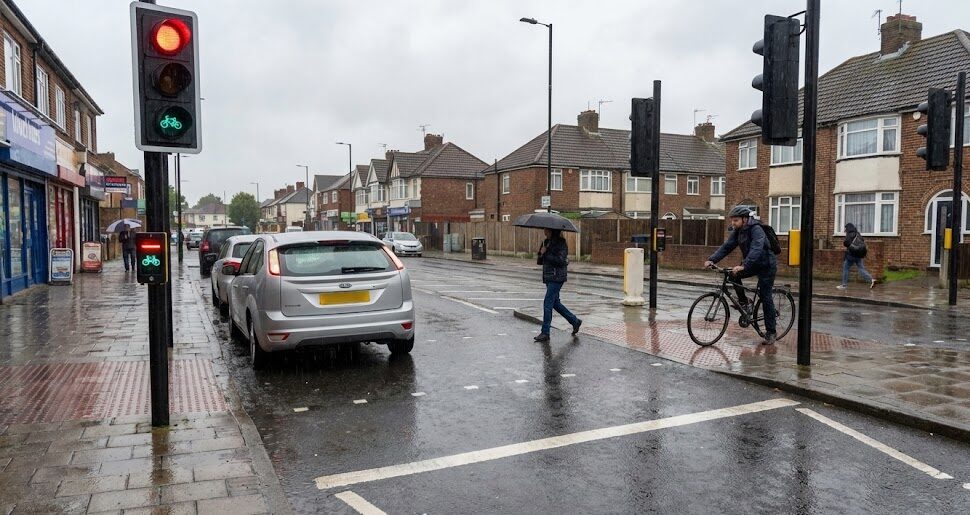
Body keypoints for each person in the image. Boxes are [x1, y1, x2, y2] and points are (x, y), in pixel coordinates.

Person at [703, 206, 778, 345]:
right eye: (732, 220)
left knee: (765, 296)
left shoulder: (756, 229)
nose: (733, 223)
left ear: (745, 219)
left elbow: (757, 247)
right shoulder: (738, 231)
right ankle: (745, 303)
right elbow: (727, 247)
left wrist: (744, 265)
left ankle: (771, 332)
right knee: (732, 274)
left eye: (735, 220)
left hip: (766, 265)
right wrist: (712, 259)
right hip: (752, 264)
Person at [534, 228, 582, 342]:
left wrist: (547, 253)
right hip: (548, 276)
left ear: (552, 231)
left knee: (547, 302)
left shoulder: (561, 243)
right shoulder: (545, 242)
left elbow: (561, 260)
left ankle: (545, 332)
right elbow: (540, 261)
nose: (544, 231)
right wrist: (541, 254)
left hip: (557, 276)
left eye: (547, 230)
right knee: (555, 303)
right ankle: (575, 321)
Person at [839, 222, 875, 290]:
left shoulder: (849, 234)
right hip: (859, 255)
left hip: (851, 255)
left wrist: (845, 243)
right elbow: (862, 241)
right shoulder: (857, 233)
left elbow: (846, 243)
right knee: (861, 269)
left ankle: (844, 285)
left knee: (846, 268)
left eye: (846, 228)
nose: (845, 230)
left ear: (848, 228)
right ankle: (871, 279)